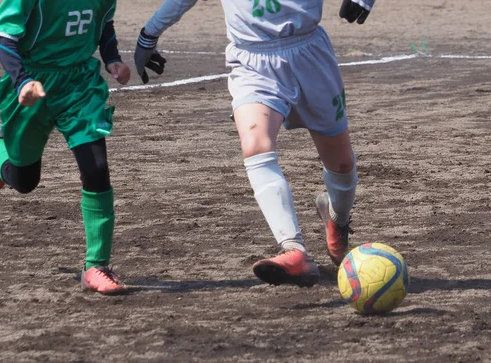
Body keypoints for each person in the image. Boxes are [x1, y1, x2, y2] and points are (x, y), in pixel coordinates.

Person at [134, 0, 374, 287]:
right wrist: (150, 32)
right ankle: (294, 250)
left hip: (310, 52)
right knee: (256, 144)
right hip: (252, 60)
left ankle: (337, 216)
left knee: (341, 163)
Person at [0, 0, 131, 295]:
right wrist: (21, 80)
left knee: (96, 168)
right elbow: (2, 34)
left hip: (80, 84)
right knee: (25, 181)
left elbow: (103, 22)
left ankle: (95, 266)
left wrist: (112, 58)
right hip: (34, 84)